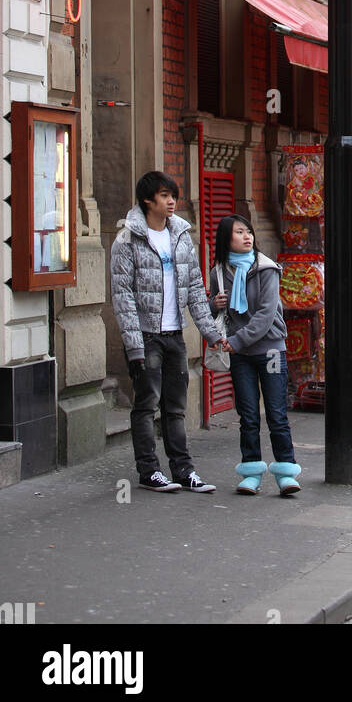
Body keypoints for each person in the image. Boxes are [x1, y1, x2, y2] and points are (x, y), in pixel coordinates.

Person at [110, 170, 223, 492]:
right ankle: (149, 472)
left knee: (176, 408)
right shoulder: (127, 238)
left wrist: (212, 333)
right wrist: (133, 347)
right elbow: (123, 297)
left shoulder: (181, 236)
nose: (171, 201)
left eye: (173, 195)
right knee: (146, 405)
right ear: (148, 200)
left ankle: (184, 471)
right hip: (146, 337)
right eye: (164, 196)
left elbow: (196, 289)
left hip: (175, 335)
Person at [209, 216, 300, 496]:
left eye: (248, 232)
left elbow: (265, 315)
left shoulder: (267, 269)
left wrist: (236, 341)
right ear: (227, 239)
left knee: (276, 413)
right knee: (248, 415)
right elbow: (217, 317)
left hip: (270, 349)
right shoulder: (219, 273)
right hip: (241, 355)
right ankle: (251, 471)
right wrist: (214, 304)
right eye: (239, 232)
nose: (247, 237)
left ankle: (286, 471)